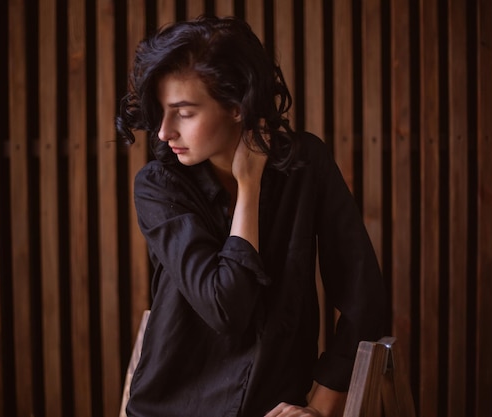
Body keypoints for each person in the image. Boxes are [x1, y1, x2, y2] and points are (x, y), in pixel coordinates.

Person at [116, 15, 388, 417]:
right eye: (162, 111)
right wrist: (249, 187)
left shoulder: (305, 164)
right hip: (174, 406)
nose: (163, 132)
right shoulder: (158, 186)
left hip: (275, 404)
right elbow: (226, 308)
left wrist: (324, 401)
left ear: (236, 106)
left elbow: (364, 297)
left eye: (184, 112)